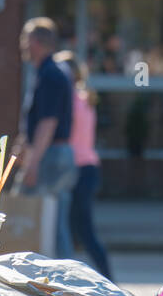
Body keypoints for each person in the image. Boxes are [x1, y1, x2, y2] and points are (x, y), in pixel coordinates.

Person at [16, 17, 77, 259]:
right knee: (54, 223)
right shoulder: (51, 72)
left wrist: (33, 162)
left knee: (28, 218)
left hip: (49, 156)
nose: (22, 45)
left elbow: (48, 122)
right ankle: (66, 275)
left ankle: (50, 273)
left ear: (35, 42)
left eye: (25, 39)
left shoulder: (50, 74)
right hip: (57, 154)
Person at [54, 50, 112, 279]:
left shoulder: (70, 102)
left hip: (75, 169)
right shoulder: (85, 98)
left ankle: (108, 280)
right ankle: (106, 277)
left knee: (77, 230)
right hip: (88, 167)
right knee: (80, 230)